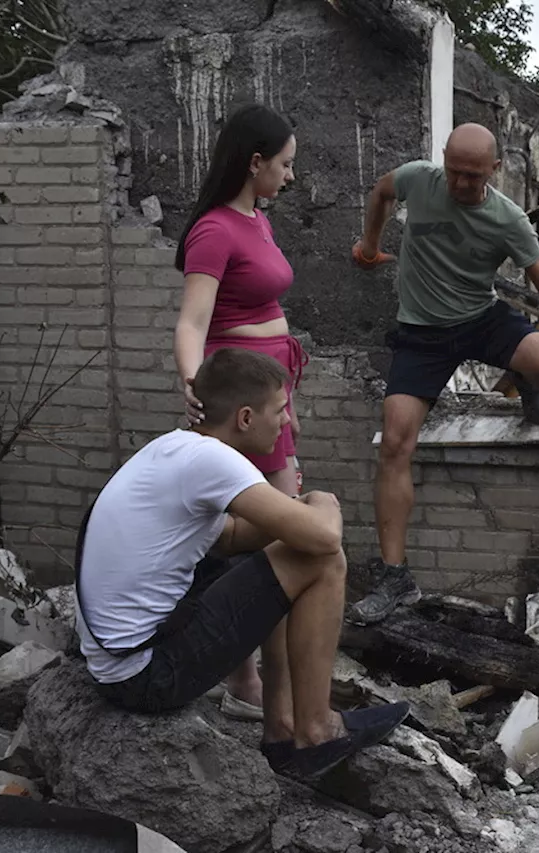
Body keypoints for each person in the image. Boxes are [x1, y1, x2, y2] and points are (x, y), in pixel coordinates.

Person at [74, 348, 410, 781]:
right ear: (246, 418)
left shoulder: (175, 448)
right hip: (147, 676)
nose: (287, 421)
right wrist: (321, 504)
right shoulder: (213, 461)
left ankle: (281, 731)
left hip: (120, 667)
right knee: (324, 561)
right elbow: (324, 538)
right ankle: (314, 730)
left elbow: (232, 538)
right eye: (280, 410)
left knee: (277, 552)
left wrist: (291, 514)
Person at [346, 123, 539, 626]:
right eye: (455, 173)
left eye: (474, 176)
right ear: (442, 160)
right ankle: (395, 578)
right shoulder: (418, 180)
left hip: (480, 322)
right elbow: (381, 191)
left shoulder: (507, 219)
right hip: (421, 334)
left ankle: (527, 379)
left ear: (495, 171)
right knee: (395, 444)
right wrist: (369, 244)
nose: (462, 185)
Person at [171, 103, 308, 719]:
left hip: (271, 395)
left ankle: (259, 679)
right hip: (242, 404)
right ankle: (248, 681)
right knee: (267, 534)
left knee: (275, 528)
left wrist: (288, 403)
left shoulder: (259, 221)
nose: (289, 176)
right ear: (255, 162)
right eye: (283, 164)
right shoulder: (215, 230)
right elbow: (193, 319)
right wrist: (194, 381)